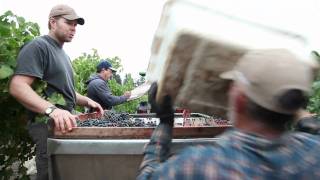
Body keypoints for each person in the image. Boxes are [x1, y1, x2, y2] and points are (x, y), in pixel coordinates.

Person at [137, 49, 320, 179]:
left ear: (239, 99)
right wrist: (294, 110)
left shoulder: (198, 165)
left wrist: (165, 122)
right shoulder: (312, 154)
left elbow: (148, 176)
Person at [9, 4, 103, 180]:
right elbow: (18, 86)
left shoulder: (63, 55)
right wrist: (52, 110)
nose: (74, 29)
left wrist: (88, 101)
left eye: (76, 25)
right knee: (51, 173)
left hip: (65, 122)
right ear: (53, 22)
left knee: (67, 172)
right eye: (69, 23)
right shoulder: (38, 46)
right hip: (48, 125)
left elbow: (67, 92)